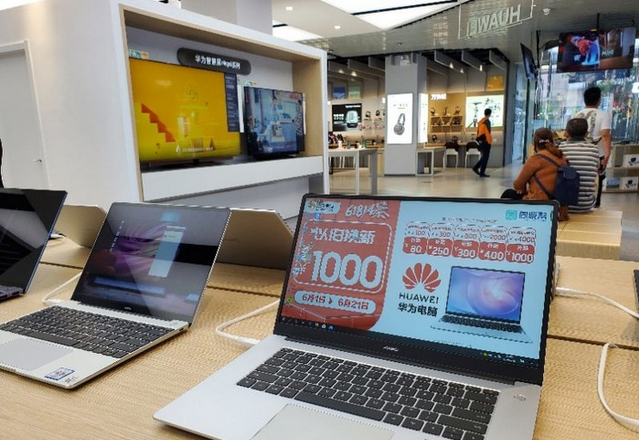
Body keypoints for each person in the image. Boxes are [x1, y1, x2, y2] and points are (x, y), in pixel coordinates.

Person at [501, 128, 570, 221]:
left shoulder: (536, 159)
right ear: (552, 141)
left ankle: (502, 219)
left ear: (535, 143)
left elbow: (518, 184)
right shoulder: (562, 158)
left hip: (539, 205)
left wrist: (522, 189)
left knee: (508, 193)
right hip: (560, 209)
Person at [574, 86, 612, 207]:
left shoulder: (578, 114)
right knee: (597, 178)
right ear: (599, 100)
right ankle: (595, 203)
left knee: (579, 176)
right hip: (597, 152)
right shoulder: (603, 115)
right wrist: (607, 154)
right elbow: (605, 135)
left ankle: (578, 201)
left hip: (579, 151)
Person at [558, 118, 600, 213]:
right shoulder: (594, 149)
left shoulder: (561, 148)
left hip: (563, 206)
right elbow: (597, 168)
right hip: (586, 205)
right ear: (587, 133)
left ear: (566, 133)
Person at [472, 108, 492, 177]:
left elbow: (479, 132)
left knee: (484, 156)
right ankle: (481, 172)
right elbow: (488, 132)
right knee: (485, 157)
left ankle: (477, 168)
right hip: (486, 141)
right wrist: (488, 140)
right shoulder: (487, 122)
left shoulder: (480, 121)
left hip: (481, 141)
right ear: (490, 114)